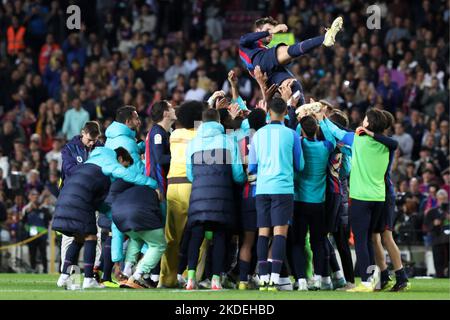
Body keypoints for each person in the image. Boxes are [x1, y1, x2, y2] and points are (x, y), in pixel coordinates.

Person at [53, 147, 157, 289]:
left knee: (77, 238)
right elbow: (130, 176)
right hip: (80, 201)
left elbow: (100, 202)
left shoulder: (92, 162)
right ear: (120, 159)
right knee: (91, 237)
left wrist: (114, 216)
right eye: (125, 165)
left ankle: (64, 276)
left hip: (65, 198)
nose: (121, 174)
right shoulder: (110, 163)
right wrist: (152, 184)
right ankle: (89, 279)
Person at [323, 108, 391, 292]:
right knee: (367, 239)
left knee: (361, 241)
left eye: (365, 119)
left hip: (361, 197)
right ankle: (373, 281)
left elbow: (337, 132)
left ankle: (367, 282)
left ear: (369, 124)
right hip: (379, 197)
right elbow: (392, 142)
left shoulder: (357, 140)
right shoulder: (386, 145)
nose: (363, 120)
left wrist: (321, 118)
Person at [185, 109, 246, 290]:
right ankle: (215, 280)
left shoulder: (193, 143)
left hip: (198, 197)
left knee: (195, 237)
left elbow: (190, 175)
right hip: (221, 198)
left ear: (202, 122)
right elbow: (237, 175)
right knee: (220, 236)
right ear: (219, 121)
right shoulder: (228, 141)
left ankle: (190, 279)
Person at [248, 97, 304, 291]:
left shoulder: (258, 135)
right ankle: (274, 278)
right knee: (280, 233)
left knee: (263, 233)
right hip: (283, 189)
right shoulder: (292, 135)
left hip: (262, 189)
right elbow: (300, 165)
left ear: (269, 112)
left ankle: (263, 278)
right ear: (284, 113)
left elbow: (252, 167)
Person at [239, 16, 343, 106]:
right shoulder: (247, 45)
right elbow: (244, 39)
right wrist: (271, 31)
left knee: (293, 85)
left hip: (270, 75)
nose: (271, 33)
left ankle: (300, 114)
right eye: (268, 29)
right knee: (290, 49)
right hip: (261, 62)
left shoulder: (264, 49)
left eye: (272, 31)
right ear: (258, 31)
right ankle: (324, 38)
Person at [159, 101, 205, 288]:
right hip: (193, 186)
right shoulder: (201, 135)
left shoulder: (175, 135)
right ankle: (193, 277)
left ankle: (166, 279)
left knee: (171, 238)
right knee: (200, 236)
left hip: (173, 187)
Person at [290, 104, 337, 291]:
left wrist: (299, 119)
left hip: (299, 202)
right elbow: (332, 139)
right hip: (319, 204)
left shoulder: (299, 144)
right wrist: (321, 120)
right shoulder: (326, 147)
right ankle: (318, 278)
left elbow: (294, 134)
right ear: (316, 129)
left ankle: (301, 279)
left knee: (298, 242)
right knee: (318, 242)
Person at [368, 110, 410, 292]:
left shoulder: (386, 142)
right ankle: (384, 275)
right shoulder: (373, 140)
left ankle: (402, 277)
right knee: (374, 236)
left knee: (386, 236)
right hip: (377, 193)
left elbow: (394, 143)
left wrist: (369, 133)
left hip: (385, 193)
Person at [104, 106, 146, 280]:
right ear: (128, 121)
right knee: (143, 230)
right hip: (127, 192)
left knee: (116, 232)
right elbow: (136, 169)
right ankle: (132, 270)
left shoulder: (112, 138)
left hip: (112, 191)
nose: (139, 121)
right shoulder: (127, 142)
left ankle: (113, 269)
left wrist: (141, 147)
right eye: (136, 118)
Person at [59, 121, 102, 280]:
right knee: (69, 235)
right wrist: (89, 170)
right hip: (73, 197)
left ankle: (94, 272)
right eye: (89, 140)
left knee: (95, 234)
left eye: (94, 140)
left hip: (93, 197)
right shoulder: (69, 148)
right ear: (83, 133)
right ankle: (68, 273)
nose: (92, 143)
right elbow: (69, 169)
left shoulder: (100, 147)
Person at [109, 179, 165, 289]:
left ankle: (126, 272)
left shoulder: (128, 194)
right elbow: (162, 216)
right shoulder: (156, 193)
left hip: (118, 216)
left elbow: (116, 236)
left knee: (136, 239)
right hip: (140, 214)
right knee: (159, 245)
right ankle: (138, 275)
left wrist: (116, 262)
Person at [145, 100, 177, 285]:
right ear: (165, 113)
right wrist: (180, 155)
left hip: (158, 186)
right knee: (159, 233)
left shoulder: (163, 132)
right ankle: (150, 275)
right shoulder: (157, 132)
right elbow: (159, 158)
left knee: (159, 232)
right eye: (171, 107)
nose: (174, 109)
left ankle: (153, 275)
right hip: (157, 188)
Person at [238, 108, 267, 290]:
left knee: (247, 241)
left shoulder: (241, 140)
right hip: (264, 194)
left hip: (247, 195)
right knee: (264, 238)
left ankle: (242, 280)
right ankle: (261, 277)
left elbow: (237, 167)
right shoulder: (267, 140)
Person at [22, 189, 52, 273]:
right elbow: (23, 222)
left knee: (43, 253)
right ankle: (33, 269)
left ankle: (45, 270)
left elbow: (49, 219)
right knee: (32, 253)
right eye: (33, 196)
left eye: (36, 197)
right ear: (30, 198)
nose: (35, 198)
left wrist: (43, 209)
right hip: (31, 235)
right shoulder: (27, 209)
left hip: (42, 235)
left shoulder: (43, 209)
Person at [424, 189, 449, 278]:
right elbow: (426, 226)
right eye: (440, 199)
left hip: (448, 240)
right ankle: (440, 276)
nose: (443, 201)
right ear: (437, 199)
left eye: (444, 199)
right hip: (437, 240)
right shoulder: (432, 212)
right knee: (438, 264)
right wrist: (433, 224)